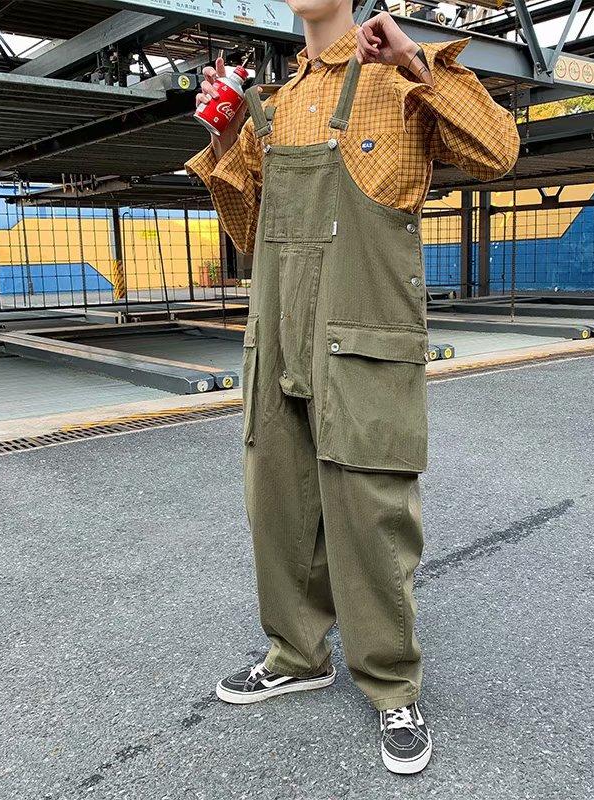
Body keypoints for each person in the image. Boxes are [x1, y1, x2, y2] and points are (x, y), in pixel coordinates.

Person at [186, 0, 519, 775]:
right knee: (278, 500)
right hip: (277, 332)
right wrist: (225, 137)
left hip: (364, 331)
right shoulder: (273, 106)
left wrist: (414, 61)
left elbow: (498, 151)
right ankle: (297, 654)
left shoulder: (394, 79)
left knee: (370, 509)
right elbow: (248, 233)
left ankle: (392, 683)